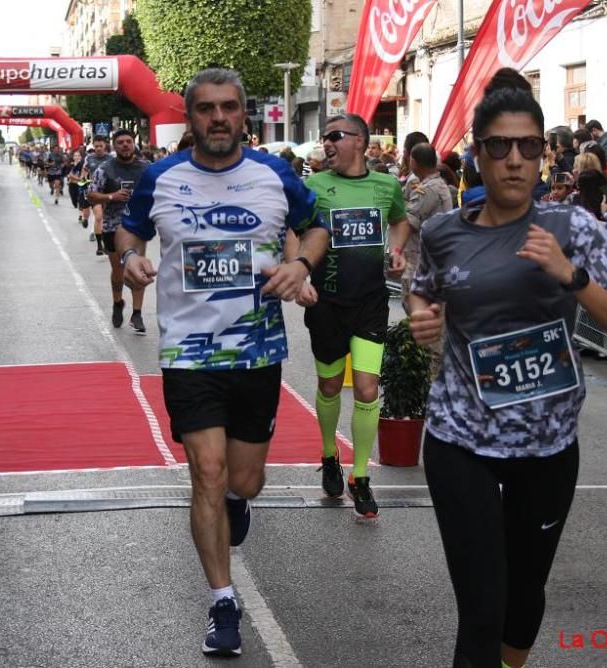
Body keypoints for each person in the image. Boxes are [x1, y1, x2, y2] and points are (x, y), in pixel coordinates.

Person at [407, 68, 607, 668]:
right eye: (499, 146)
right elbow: (422, 291)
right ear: (478, 155)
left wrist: (571, 276)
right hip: (461, 440)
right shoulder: (442, 233)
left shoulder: (575, 228)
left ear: (542, 154)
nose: (515, 160)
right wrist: (421, 315)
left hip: (547, 444)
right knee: (482, 610)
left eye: (529, 147)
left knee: (523, 597)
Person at [117, 68, 329, 658]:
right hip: (188, 351)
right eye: (206, 108)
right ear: (191, 117)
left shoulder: (274, 173)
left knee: (243, 480)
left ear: (243, 115)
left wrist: (302, 266)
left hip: (256, 350)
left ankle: (237, 502)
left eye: (228, 107)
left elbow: (316, 229)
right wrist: (131, 257)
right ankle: (222, 602)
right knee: (206, 474)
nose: (217, 118)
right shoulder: (160, 176)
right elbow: (128, 233)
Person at [295, 112, 409, 518]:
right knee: (329, 386)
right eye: (324, 137)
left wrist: (395, 252)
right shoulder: (313, 186)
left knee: (366, 389)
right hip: (326, 303)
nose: (325, 143)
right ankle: (329, 455)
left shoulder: (386, 185)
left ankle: (360, 476)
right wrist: (300, 271)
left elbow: (400, 222)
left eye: (334, 136)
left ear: (359, 141)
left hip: (370, 303)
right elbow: (295, 230)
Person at [87, 129, 149, 332]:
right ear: (114, 146)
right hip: (112, 226)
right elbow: (91, 195)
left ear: (134, 144)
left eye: (128, 142)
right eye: (120, 142)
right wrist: (112, 196)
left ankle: (137, 313)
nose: (125, 145)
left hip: (137, 226)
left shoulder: (146, 168)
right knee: (119, 271)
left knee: (137, 269)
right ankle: (117, 302)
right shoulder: (105, 169)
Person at [402, 142, 453, 313]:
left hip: (421, 258)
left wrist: (396, 250)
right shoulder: (437, 184)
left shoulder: (428, 189)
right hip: (433, 259)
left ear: (414, 162)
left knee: (416, 309)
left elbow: (408, 221)